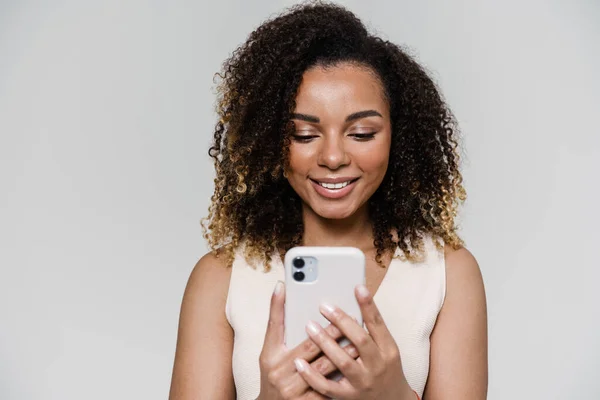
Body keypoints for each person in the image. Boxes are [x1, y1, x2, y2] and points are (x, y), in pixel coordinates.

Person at [169, 2, 488, 399]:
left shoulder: (448, 273)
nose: (333, 158)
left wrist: (396, 395)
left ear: (397, 137)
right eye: (304, 135)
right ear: (270, 141)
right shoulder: (220, 279)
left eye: (362, 133)